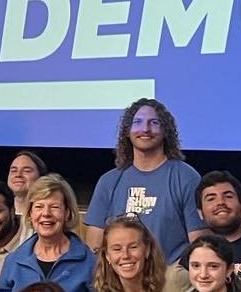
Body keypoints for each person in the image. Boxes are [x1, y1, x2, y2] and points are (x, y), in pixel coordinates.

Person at [84, 99, 206, 264]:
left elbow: (199, 245)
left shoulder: (186, 177)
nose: (145, 129)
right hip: (120, 278)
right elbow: (94, 246)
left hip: (170, 279)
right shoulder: (109, 181)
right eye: (138, 122)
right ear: (127, 131)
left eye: (154, 123)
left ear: (165, 131)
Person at [189, 171, 241, 290]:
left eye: (228, 196)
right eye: (211, 199)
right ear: (200, 213)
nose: (220, 202)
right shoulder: (193, 254)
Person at [7, 150, 47, 237]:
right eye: (13, 171)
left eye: (26, 171)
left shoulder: (46, 216)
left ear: (41, 177)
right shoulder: (1, 213)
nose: (18, 175)